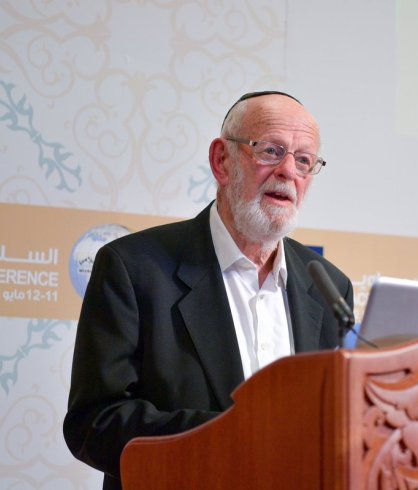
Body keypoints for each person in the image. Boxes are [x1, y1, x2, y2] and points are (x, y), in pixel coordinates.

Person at [63, 91, 353, 490]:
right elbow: (94, 423)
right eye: (271, 151)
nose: (288, 171)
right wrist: (238, 434)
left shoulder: (329, 287)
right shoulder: (134, 268)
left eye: (304, 160)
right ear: (222, 161)